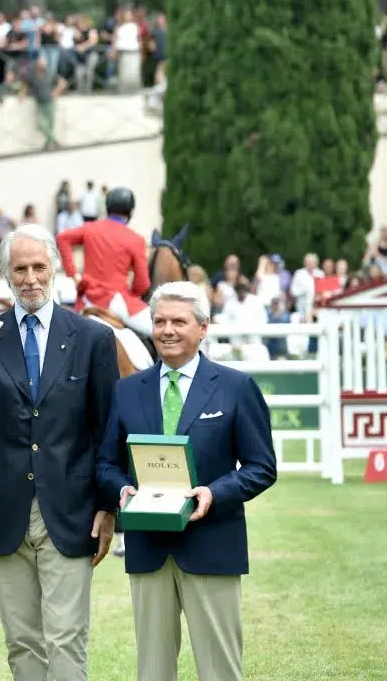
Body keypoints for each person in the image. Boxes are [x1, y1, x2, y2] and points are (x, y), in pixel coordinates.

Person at [0, 224, 119, 681]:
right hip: (4, 511)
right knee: (22, 643)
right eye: (19, 269)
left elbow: (107, 430)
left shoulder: (92, 339)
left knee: (66, 638)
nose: (30, 278)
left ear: (55, 269)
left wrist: (108, 507)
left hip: (70, 510)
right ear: (5, 274)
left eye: (38, 267)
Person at [95, 281, 277, 681]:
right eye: (159, 321)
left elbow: (262, 466)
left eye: (179, 321)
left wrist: (215, 492)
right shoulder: (126, 391)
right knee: (152, 671)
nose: (167, 330)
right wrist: (121, 490)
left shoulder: (236, 387)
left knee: (220, 670)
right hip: (148, 549)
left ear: (203, 327)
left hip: (213, 544)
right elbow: (106, 463)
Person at [56, 186, 151, 336]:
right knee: (159, 330)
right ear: (130, 212)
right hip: (116, 301)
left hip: (87, 300)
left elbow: (62, 238)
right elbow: (142, 284)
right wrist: (132, 295)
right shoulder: (136, 239)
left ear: (107, 208)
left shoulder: (90, 228)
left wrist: (73, 274)